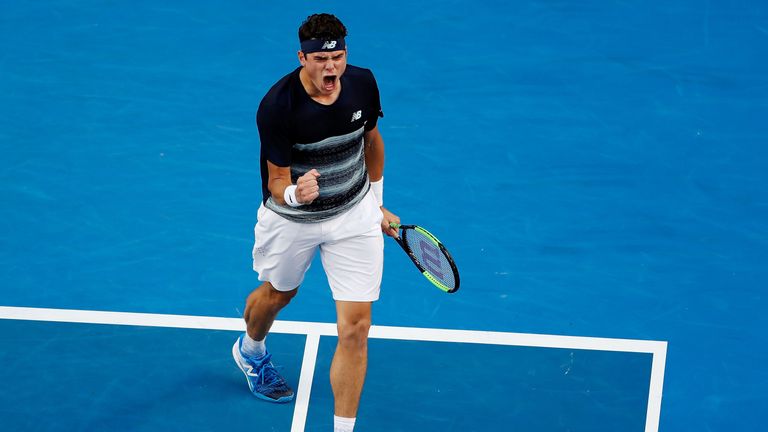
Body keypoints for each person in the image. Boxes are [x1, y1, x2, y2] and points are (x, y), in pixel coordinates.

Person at [232, 13, 399, 432]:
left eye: (339, 58)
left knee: (356, 328)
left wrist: (376, 203)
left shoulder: (363, 83)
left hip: (354, 211)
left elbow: (372, 141)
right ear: (302, 57)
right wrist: (295, 193)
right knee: (277, 296)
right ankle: (251, 350)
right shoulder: (277, 106)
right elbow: (275, 181)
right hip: (293, 219)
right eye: (321, 60)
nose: (332, 69)